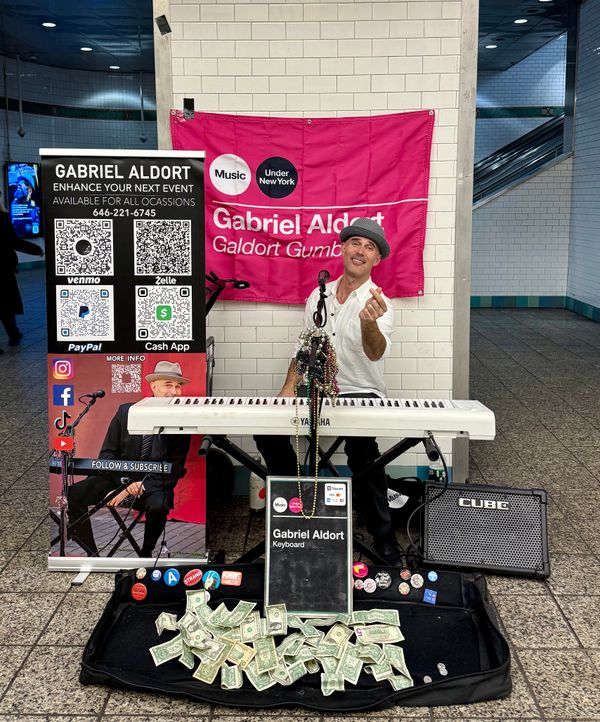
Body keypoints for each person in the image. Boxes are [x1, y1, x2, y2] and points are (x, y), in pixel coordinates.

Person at [255, 217, 402, 564]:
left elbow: (375, 352)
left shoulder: (379, 303)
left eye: (369, 247)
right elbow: (303, 349)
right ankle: (297, 508)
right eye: (355, 243)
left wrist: (368, 324)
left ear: (376, 259)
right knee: (266, 431)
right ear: (343, 248)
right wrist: (287, 390)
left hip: (361, 392)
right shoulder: (318, 295)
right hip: (315, 389)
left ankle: (383, 538)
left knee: (363, 452)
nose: (360, 251)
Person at [67, 361, 192, 558]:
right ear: (154, 387)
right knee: (73, 493)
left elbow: (176, 468)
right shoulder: (126, 412)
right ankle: (92, 554)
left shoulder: (183, 421)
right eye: (168, 385)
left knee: (159, 505)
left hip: (153, 485)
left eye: (178, 387)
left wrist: (141, 485)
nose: (175, 392)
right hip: (117, 479)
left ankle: (146, 554)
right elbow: (107, 455)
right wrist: (125, 484)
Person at [0, 205, 44, 350]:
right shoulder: (2, 217)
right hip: (3, 268)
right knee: (5, 304)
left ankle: (14, 334)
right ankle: (13, 334)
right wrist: (36, 249)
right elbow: (12, 241)